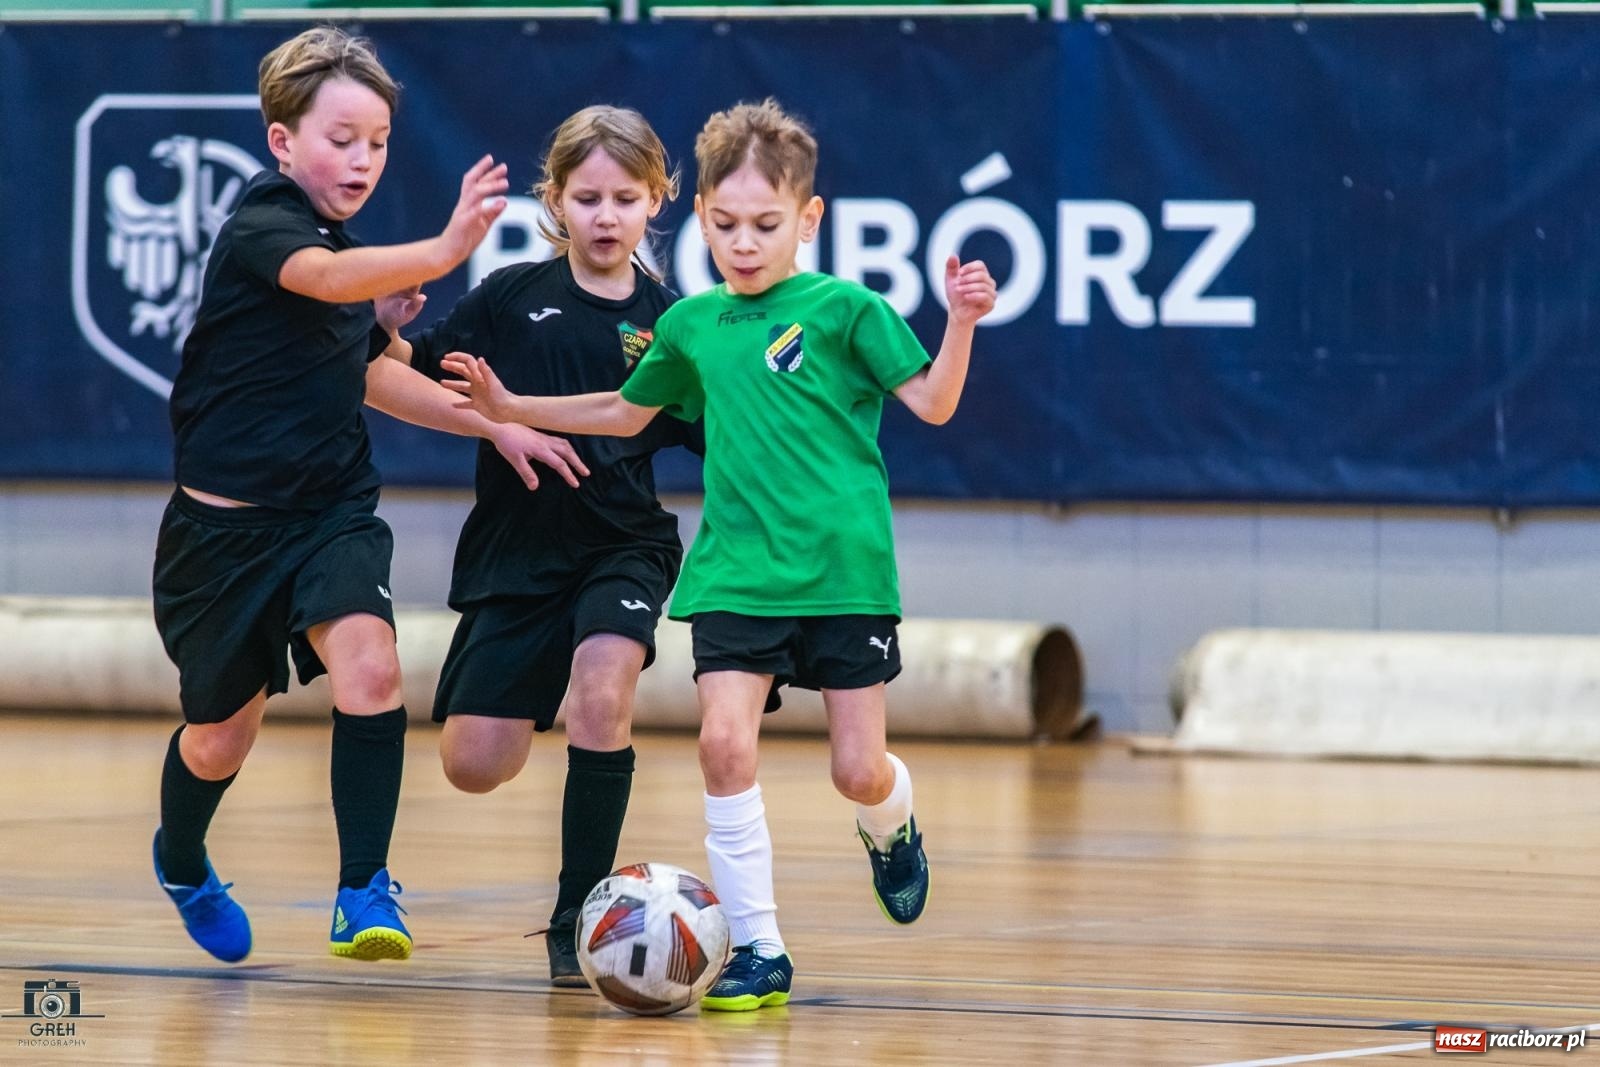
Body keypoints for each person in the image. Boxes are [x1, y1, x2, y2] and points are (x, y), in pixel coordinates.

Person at [440, 98, 997, 1010]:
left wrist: (962, 322)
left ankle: (891, 824)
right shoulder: (689, 324)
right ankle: (762, 949)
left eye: (767, 225)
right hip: (734, 571)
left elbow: (934, 402)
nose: (745, 243)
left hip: (844, 573)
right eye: (727, 223)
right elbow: (625, 412)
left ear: (808, 221)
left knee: (857, 768)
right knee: (723, 744)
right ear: (699, 215)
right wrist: (511, 409)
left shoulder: (847, 309)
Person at [150, 26, 583, 966]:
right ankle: (181, 857)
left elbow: (381, 375)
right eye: (341, 137)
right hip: (219, 542)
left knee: (373, 668)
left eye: (379, 141)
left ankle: (363, 887)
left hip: (330, 515)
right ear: (282, 141)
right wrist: (443, 247)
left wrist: (496, 425)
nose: (363, 158)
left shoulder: (350, 264)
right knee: (219, 740)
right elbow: (326, 279)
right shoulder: (267, 225)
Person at [385, 105, 698, 986]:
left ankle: (579, 915)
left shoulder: (672, 324)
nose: (605, 215)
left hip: (623, 546)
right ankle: (528, 690)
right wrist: (385, 327)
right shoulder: (510, 298)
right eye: (588, 196)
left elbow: (728, 431)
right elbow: (417, 369)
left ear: (655, 202)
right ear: (555, 199)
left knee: (604, 691)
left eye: (625, 198)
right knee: (474, 763)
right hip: (517, 551)